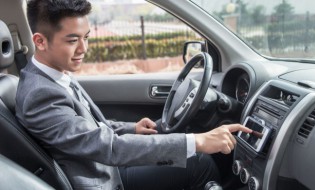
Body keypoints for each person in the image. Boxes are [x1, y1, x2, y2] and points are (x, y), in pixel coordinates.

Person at [15, 0, 252, 190]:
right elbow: (108, 147)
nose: (84, 49)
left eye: (86, 37)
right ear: (40, 41)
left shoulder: (51, 75)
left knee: (193, 159)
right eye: (73, 40)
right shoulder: (40, 94)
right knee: (199, 163)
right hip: (102, 180)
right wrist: (197, 141)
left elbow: (89, 129)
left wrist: (132, 128)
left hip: (105, 167)